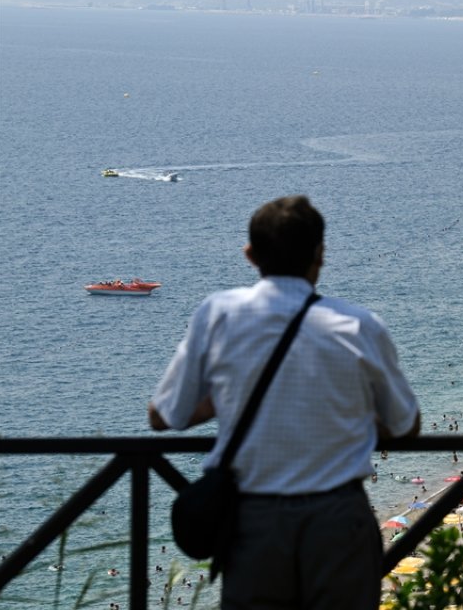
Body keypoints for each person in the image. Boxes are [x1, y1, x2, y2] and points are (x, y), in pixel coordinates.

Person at [148, 195, 420, 610]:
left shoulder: (218, 314)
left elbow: (165, 416)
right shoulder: (359, 325)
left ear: (250, 254)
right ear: (321, 253)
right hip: (338, 518)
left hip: (254, 522)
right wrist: (348, 418)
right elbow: (406, 425)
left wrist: (229, 397)